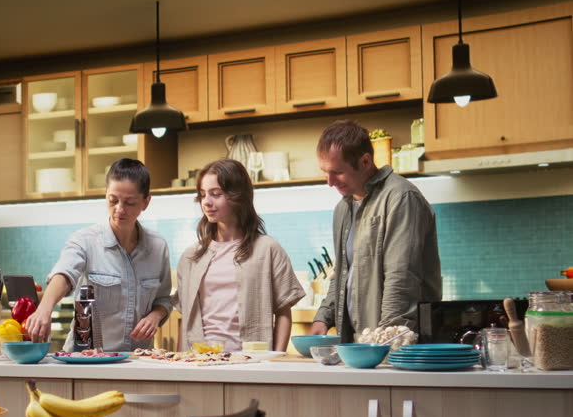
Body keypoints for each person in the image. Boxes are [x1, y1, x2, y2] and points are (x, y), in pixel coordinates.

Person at [311, 120, 442, 341]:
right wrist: (324, 316)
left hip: (399, 343)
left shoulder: (401, 198)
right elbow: (343, 273)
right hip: (362, 344)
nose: (329, 182)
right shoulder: (343, 209)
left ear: (365, 161)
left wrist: (388, 339)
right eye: (325, 172)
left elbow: (401, 277)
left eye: (337, 172)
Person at [25, 158, 172, 351]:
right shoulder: (85, 240)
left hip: (137, 360)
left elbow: (163, 300)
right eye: (113, 200)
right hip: (87, 359)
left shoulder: (158, 247)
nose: (119, 209)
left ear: (146, 202)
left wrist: (155, 316)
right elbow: (65, 274)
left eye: (129, 202)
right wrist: (45, 308)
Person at [176, 159, 305, 352]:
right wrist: (179, 364)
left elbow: (284, 312)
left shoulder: (268, 249)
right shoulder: (191, 256)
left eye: (216, 194)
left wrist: (276, 360)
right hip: (199, 362)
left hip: (250, 363)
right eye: (203, 195)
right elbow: (186, 318)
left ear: (237, 196)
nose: (207, 202)